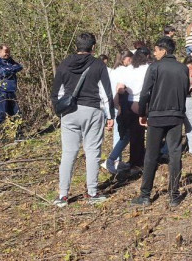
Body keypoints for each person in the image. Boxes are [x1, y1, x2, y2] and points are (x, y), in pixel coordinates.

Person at [50, 32, 115, 207]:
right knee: (92, 151)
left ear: (76, 46)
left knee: (68, 153)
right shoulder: (98, 64)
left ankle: (63, 195)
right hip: (92, 110)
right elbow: (106, 93)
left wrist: (60, 112)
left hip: (69, 113)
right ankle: (92, 192)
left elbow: (56, 93)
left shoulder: (64, 64)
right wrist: (110, 115)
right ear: (93, 47)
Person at [131, 37, 190, 207]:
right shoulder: (183, 68)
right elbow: (186, 90)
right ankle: (174, 195)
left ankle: (145, 195)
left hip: (156, 115)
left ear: (164, 51)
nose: (154, 53)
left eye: (156, 50)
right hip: (176, 115)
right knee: (175, 154)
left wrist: (142, 113)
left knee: (151, 155)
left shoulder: (154, 67)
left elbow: (145, 92)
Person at [117, 47, 152, 172]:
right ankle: (143, 162)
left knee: (135, 135)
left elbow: (120, 87)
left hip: (130, 102)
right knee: (147, 133)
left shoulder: (129, 69)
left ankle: (135, 163)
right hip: (145, 102)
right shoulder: (148, 68)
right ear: (147, 56)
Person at [102, 50, 133, 174]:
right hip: (120, 104)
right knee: (121, 134)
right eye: (130, 60)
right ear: (126, 59)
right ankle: (114, 160)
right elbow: (120, 89)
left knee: (118, 132)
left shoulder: (113, 71)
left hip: (113, 103)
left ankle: (116, 159)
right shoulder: (124, 71)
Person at [0, 44, 23, 124]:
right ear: (0, 51)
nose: (7, 54)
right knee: (2, 114)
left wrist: (9, 69)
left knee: (16, 113)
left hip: (11, 91)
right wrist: (12, 69)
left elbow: (19, 67)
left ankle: (17, 131)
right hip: (1, 91)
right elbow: (3, 72)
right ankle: (1, 131)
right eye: (5, 51)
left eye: (8, 52)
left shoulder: (10, 61)